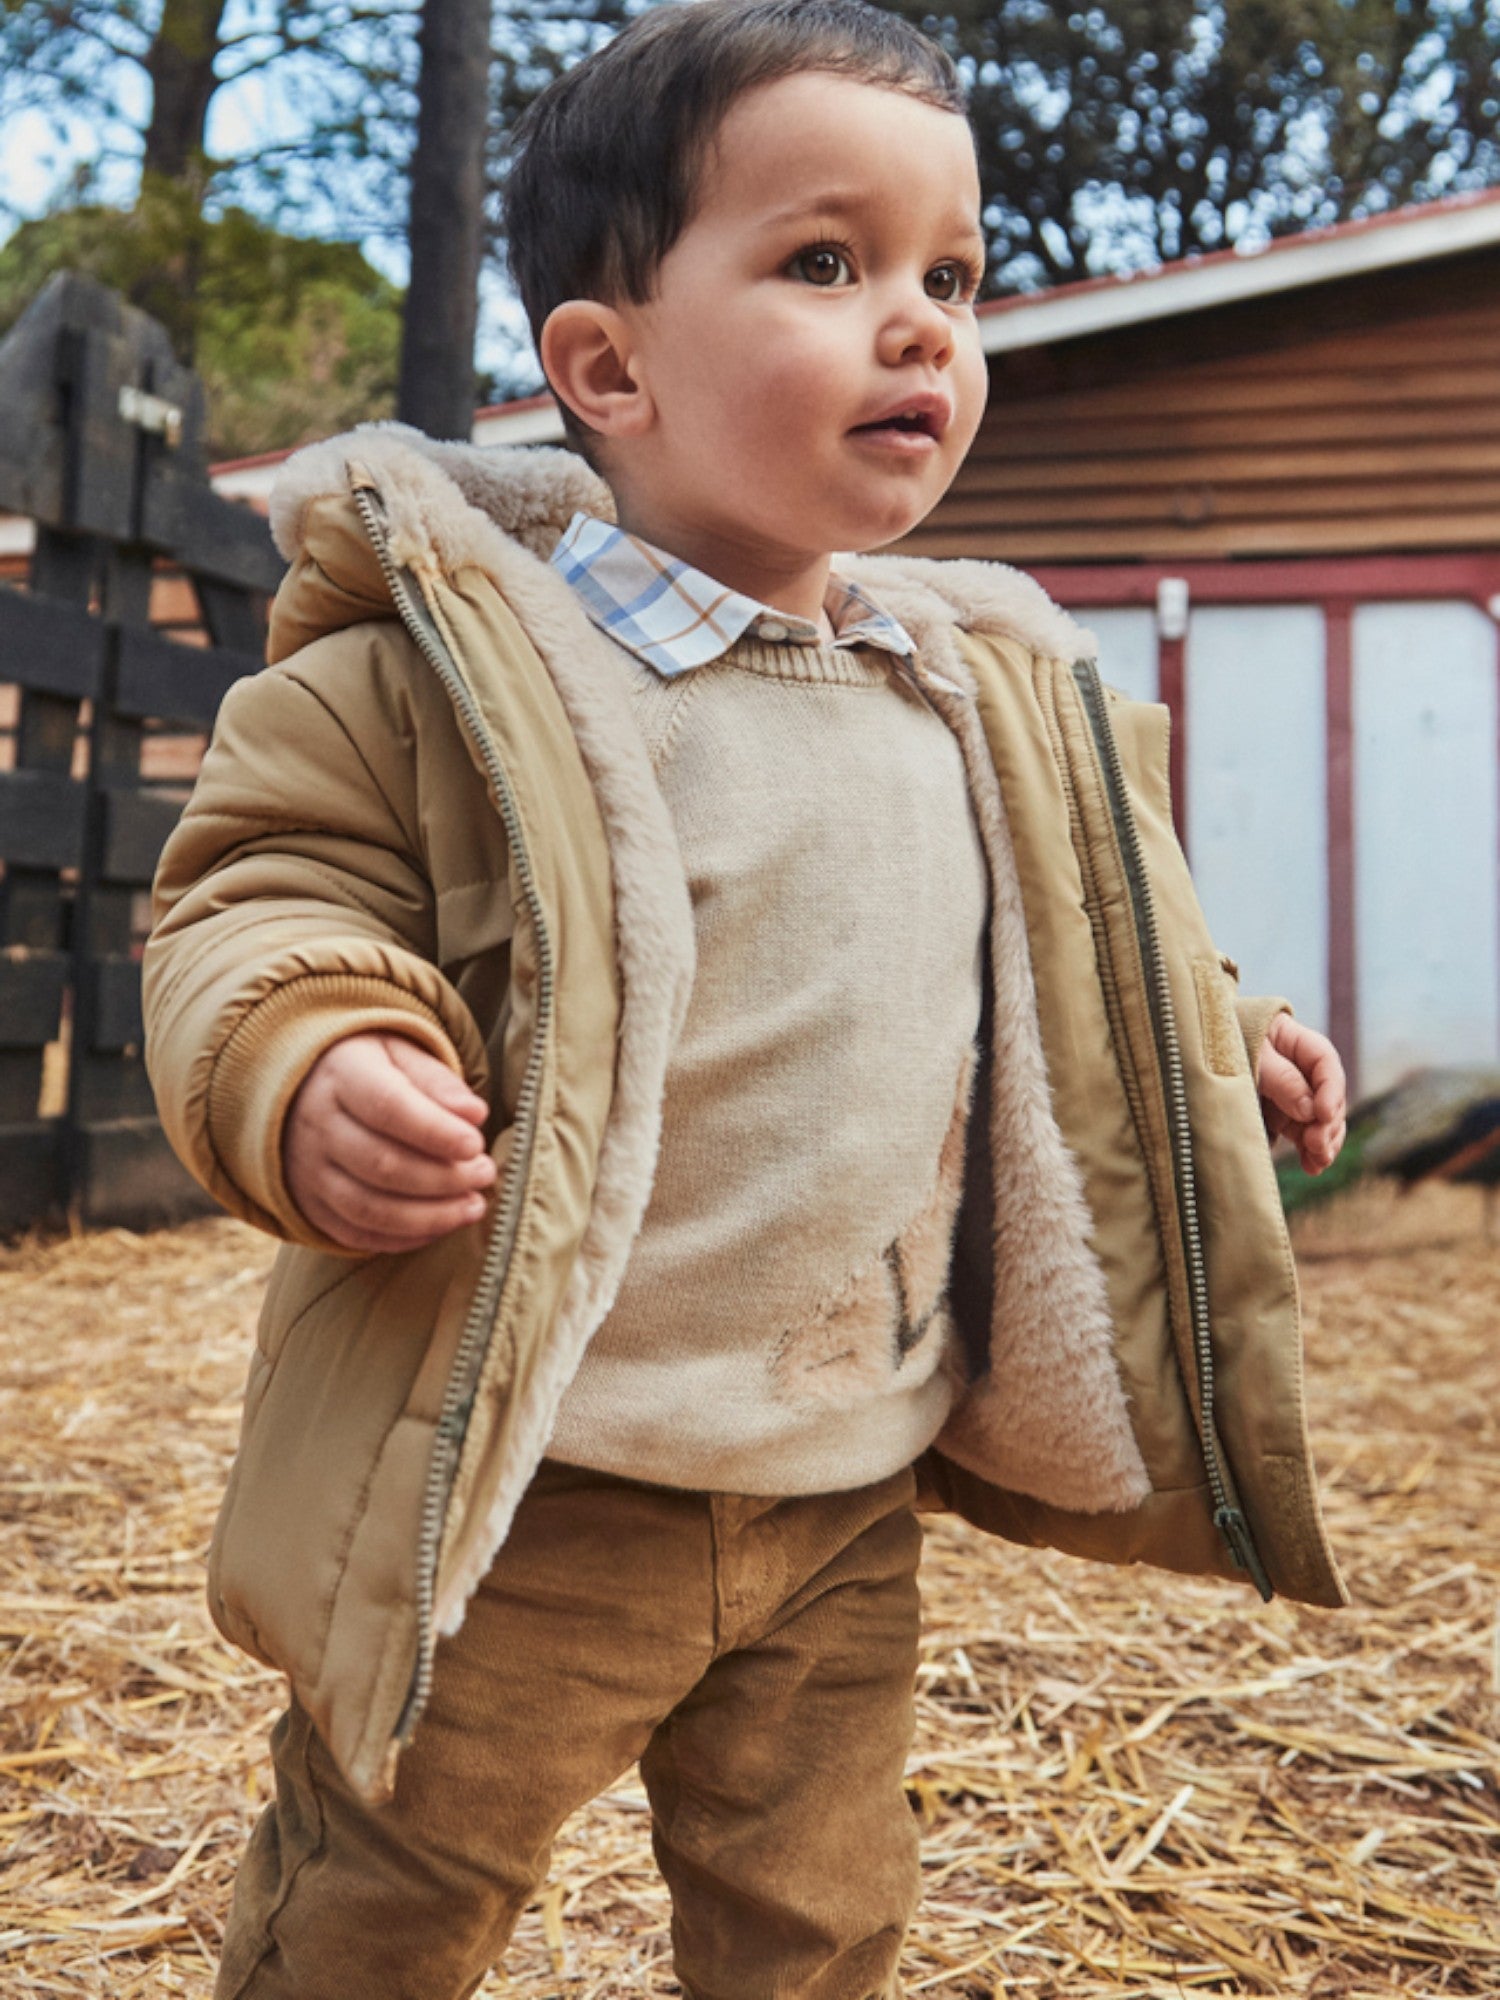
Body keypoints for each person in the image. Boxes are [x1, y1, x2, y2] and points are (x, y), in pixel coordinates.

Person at [143, 3, 1349, 1995]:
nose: (921, 326)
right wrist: (312, 1053)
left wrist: (1224, 1030)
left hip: (838, 1477)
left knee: (820, 1915)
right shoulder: (449, 676)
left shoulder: (979, 686)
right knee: (388, 1897)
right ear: (606, 366)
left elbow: (1082, 942)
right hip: (533, 1484)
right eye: (826, 262)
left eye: (951, 276)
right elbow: (256, 894)